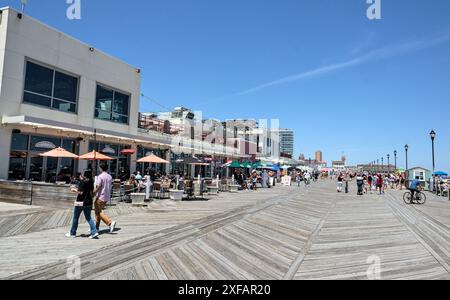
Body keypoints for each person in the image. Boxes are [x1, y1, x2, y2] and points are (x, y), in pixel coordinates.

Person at [66, 171, 99, 239]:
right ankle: (94, 232)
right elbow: (91, 192)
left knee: (76, 217)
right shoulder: (91, 182)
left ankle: (73, 233)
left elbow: (81, 192)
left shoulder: (83, 182)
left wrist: (74, 190)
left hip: (80, 202)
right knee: (88, 218)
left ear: (84, 175)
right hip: (89, 202)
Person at [94, 163, 116, 233]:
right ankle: (96, 228)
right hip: (107, 196)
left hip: (100, 196)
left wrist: (93, 193)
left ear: (101, 168)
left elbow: (98, 187)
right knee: (98, 212)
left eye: (99, 167)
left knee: (98, 212)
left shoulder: (100, 176)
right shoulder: (109, 176)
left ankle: (109, 223)